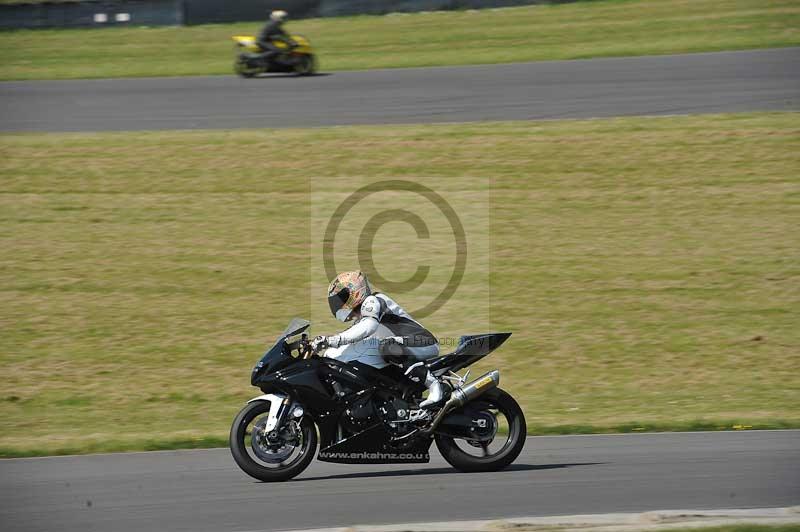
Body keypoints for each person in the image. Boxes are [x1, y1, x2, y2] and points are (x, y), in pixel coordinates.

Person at [311, 271, 449, 410]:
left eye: (342, 297)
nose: (339, 303)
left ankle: (434, 385)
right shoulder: (362, 318)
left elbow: (369, 327)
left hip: (422, 342)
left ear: (356, 291)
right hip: (402, 348)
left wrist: (332, 340)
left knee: (387, 346)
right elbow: (351, 337)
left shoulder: (374, 300)